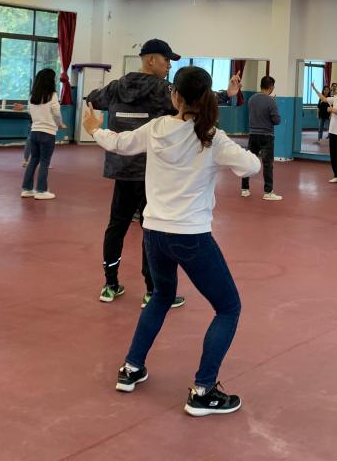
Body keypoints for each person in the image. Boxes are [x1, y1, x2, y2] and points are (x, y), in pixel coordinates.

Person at [83, 66, 260, 417]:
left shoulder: (157, 128)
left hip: (154, 234)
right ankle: (203, 391)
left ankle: (132, 368)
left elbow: (119, 143)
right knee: (228, 308)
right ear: (207, 98)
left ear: (175, 97)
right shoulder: (212, 138)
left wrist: (94, 129)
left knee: (162, 296)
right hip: (191, 236)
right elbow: (251, 166)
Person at [87, 39, 239, 307]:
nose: (169, 66)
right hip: (150, 172)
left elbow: (93, 99)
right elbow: (196, 100)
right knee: (149, 229)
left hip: (122, 168)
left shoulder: (116, 86)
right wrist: (226, 94)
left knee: (117, 226)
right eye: (166, 60)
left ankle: (110, 284)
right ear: (150, 60)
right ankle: (152, 291)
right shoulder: (163, 89)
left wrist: (107, 119)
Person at [21, 68, 66, 200]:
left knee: (33, 160)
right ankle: (41, 190)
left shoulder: (32, 96)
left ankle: (27, 189)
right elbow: (56, 113)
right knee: (45, 162)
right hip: (48, 133)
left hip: (34, 132)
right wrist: (60, 124)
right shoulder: (52, 95)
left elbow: (30, 112)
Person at [241, 75, 282, 201]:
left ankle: (244, 189)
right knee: (267, 164)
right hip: (266, 136)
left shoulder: (252, 99)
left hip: (253, 135)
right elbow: (277, 120)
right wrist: (272, 104)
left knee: (248, 161)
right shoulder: (271, 101)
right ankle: (268, 192)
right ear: (271, 87)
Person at [310, 80, 337, 186]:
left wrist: (331, 109)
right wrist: (314, 88)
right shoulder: (336, 97)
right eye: (336, 87)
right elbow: (324, 99)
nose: (336, 88)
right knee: (334, 155)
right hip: (333, 131)